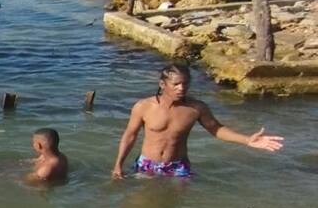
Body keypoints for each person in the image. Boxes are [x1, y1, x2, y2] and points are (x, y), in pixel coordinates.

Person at [112, 63, 284, 178]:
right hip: (147, 165)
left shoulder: (196, 108)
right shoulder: (143, 106)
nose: (182, 88)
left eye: (185, 84)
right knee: (142, 206)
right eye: (176, 84)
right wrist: (118, 165)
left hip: (178, 167)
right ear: (163, 84)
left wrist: (247, 140)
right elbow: (130, 136)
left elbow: (216, 129)